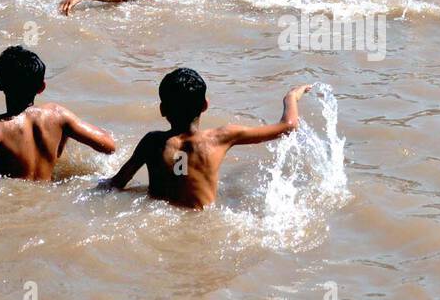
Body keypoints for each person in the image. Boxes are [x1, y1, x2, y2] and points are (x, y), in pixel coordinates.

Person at [109, 67, 310, 208]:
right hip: (201, 222)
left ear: (162, 109)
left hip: (158, 219)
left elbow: (117, 184)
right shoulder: (222, 137)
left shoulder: (151, 142)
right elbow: (288, 126)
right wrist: (291, 97)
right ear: (205, 105)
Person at [0, 46, 116, 192]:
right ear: (41, 87)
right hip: (48, 197)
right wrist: (64, 135)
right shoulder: (58, 115)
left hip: (11, 205)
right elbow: (108, 145)